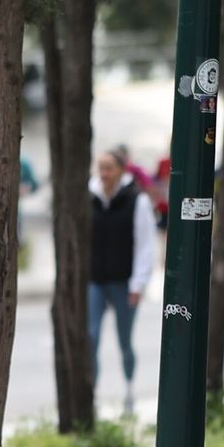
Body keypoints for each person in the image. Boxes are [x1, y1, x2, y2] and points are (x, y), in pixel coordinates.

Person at [88, 149, 156, 416]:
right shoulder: (90, 196)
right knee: (90, 336)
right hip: (94, 279)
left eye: (110, 168)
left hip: (123, 282)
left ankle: (129, 390)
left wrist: (138, 284)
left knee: (124, 340)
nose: (104, 174)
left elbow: (145, 245)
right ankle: (91, 393)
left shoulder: (136, 201)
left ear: (122, 170)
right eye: (101, 167)